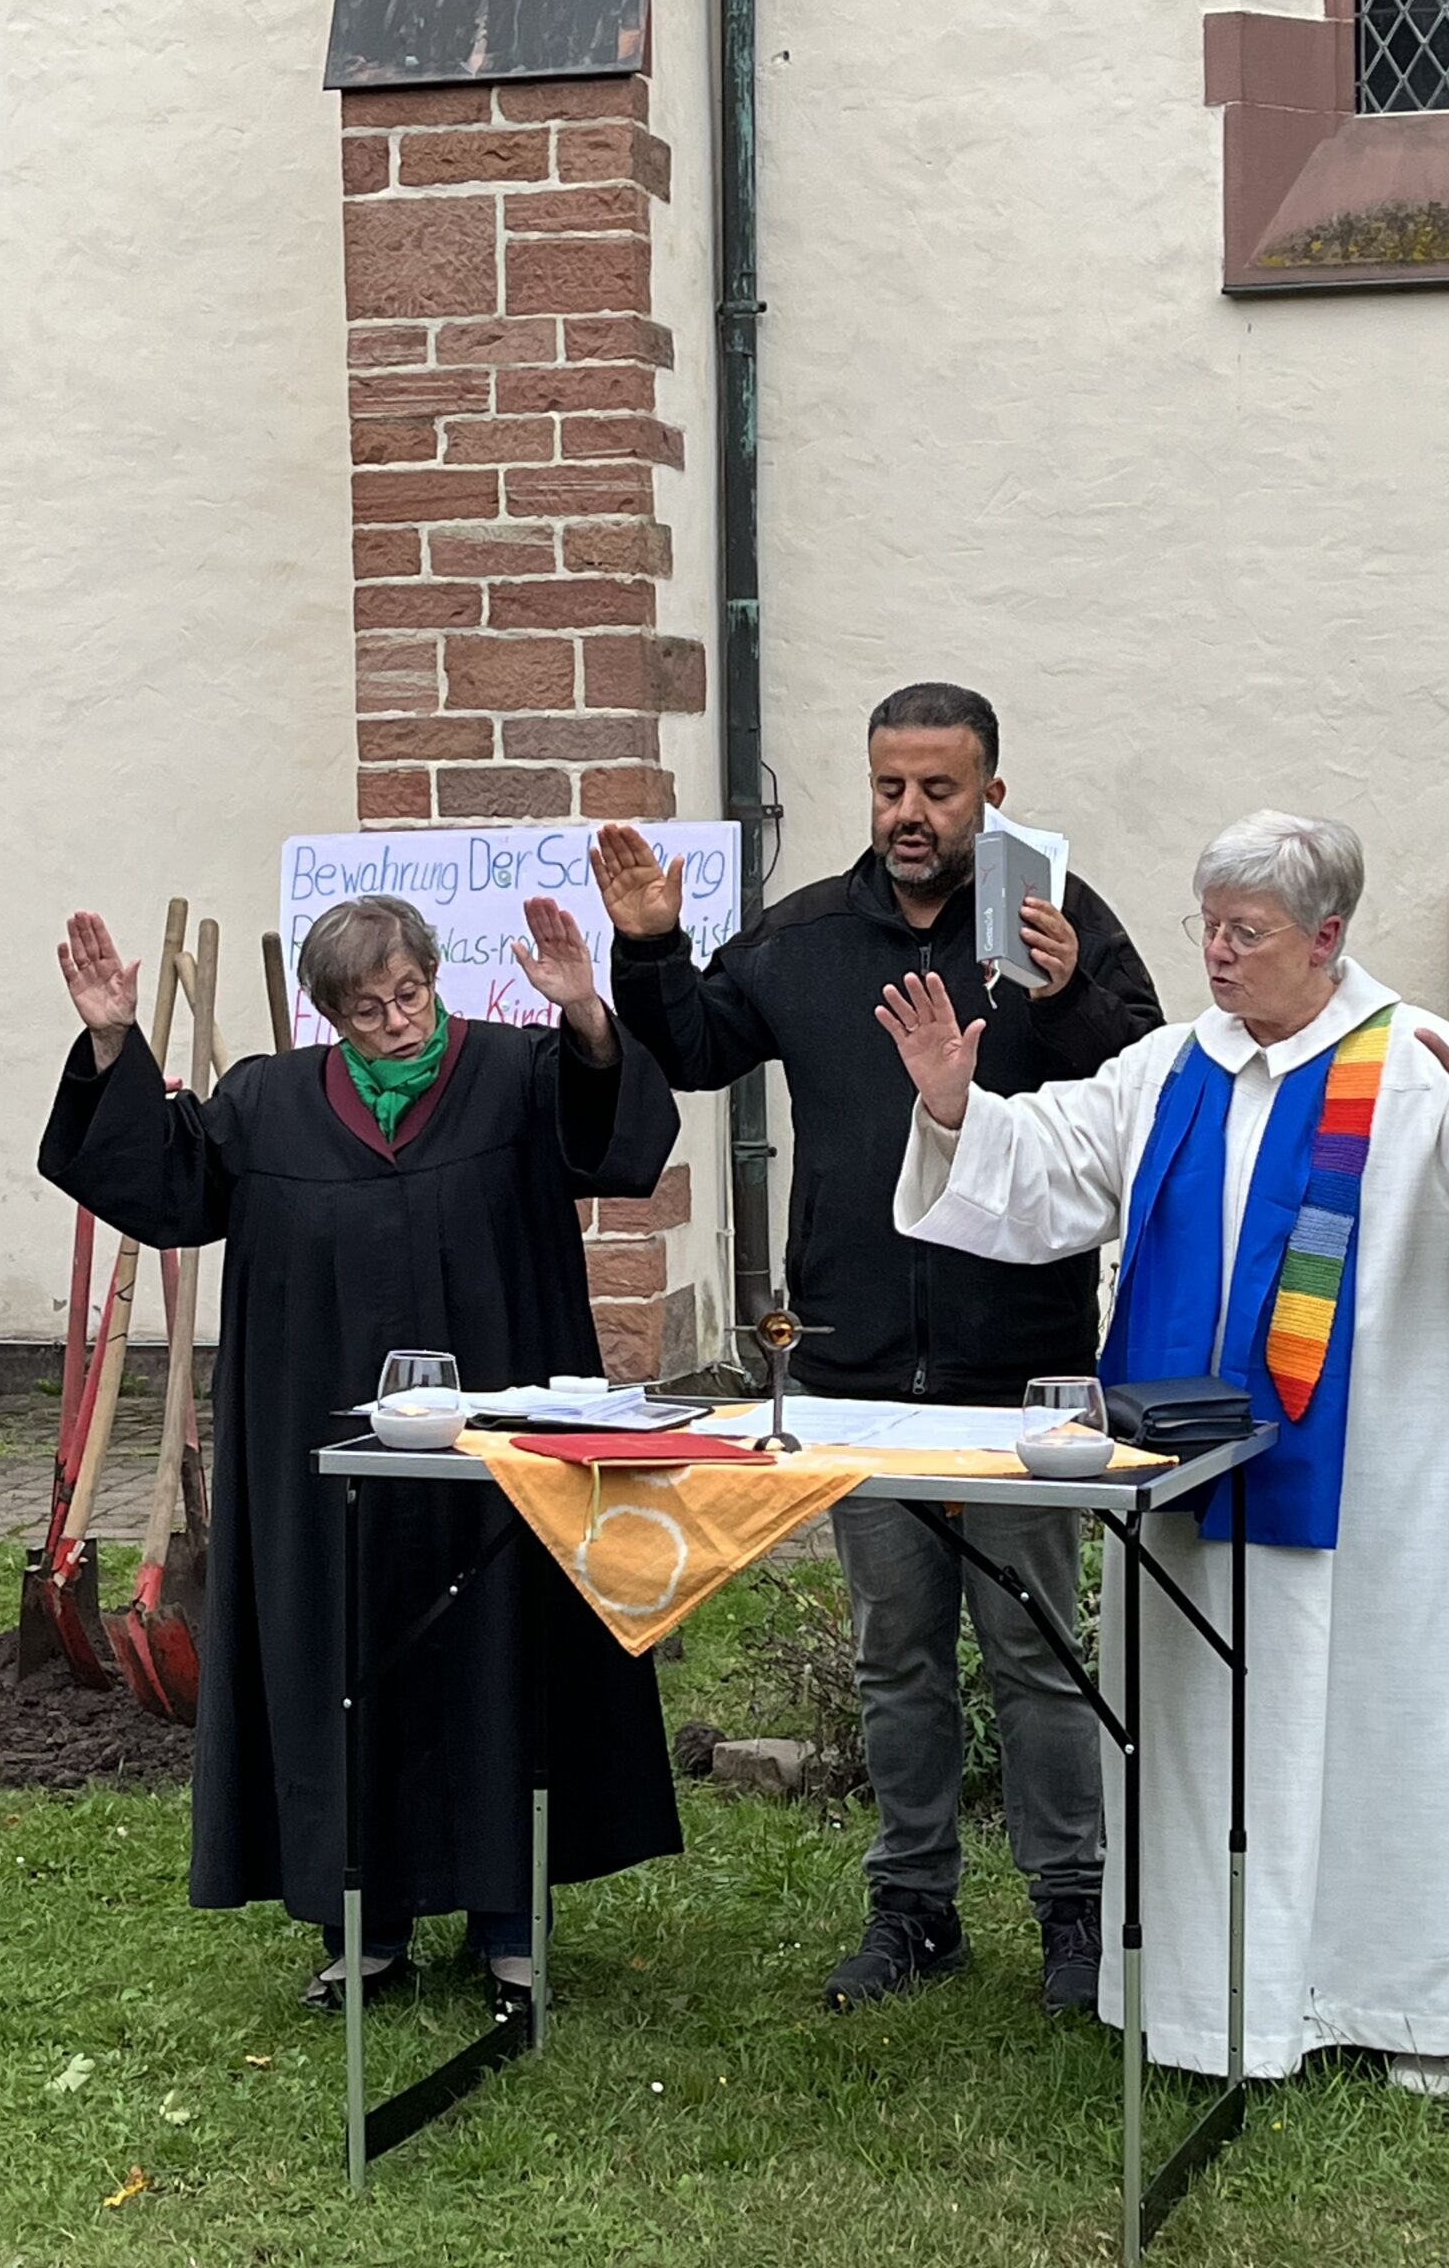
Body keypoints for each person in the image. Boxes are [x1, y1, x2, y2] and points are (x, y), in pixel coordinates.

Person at [880, 810, 1449, 2094]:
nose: (1216, 953)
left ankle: (1406, 2010)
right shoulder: (1169, 1070)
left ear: (1327, 938)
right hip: (1184, 1487)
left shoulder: (1418, 1060)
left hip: (1366, 1490)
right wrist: (955, 1106)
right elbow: (1047, 1169)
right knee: (1200, 1730)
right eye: (1206, 925)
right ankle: (1209, 2012)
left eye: (1246, 932)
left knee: (1381, 1730)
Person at [594, 681, 1164, 2015]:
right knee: (895, 1657)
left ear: (993, 796)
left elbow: (1143, 1079)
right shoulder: (801, 940)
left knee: (1036, 1659)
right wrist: (654, 948)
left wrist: (1071, 992)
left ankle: (1073, 1915)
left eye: (940, 790)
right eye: (890, 788)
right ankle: (914, 1909)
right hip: (853, 1372)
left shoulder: (1053, 933)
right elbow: (692, 1048)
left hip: (1015, 1373)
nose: (910, 815)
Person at [39, 893, 683, 2020]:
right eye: (367, 1007)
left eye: (410, 994)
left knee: (500, 1651)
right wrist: (110, 1044)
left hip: (491, 1452)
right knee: (337, 1661)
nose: (396, 1020)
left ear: (434, 978)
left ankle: (510, 1925)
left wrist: (586, 1014)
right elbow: (166, 1188)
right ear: (330, 1013)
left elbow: (618, 1140)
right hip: (320, 1450)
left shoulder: (514, 1076)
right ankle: (363, 1927)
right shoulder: (267, 1103)